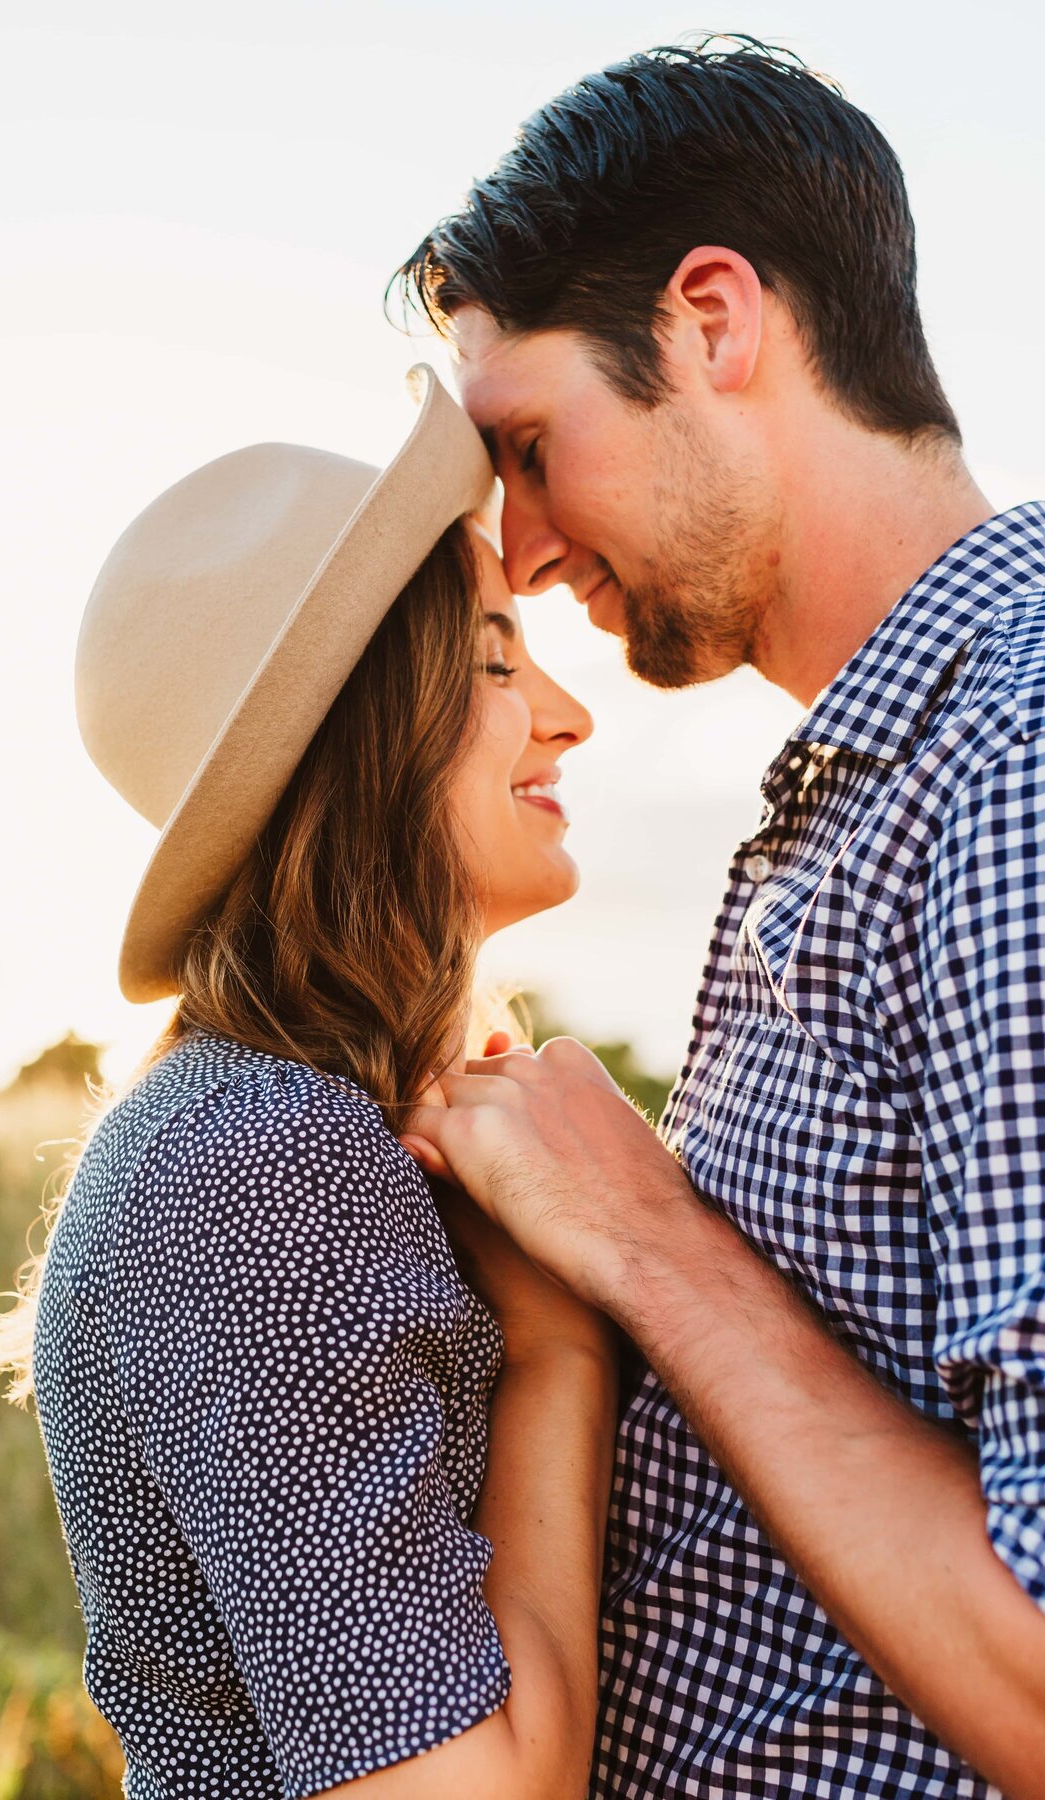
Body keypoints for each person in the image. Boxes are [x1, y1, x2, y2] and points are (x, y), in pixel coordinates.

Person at [392, 37, 1045, 1800]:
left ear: (711, 319)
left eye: (530, 445)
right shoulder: (865, 784)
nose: (514, 547)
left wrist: (650, 1238)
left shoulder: (1017, 773)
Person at [0, 367, 618, 1798]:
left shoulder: (279, 1132)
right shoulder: (260, 1165)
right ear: (368, 730)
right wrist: (565, 1343)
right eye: (500, 658)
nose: (569, 713)